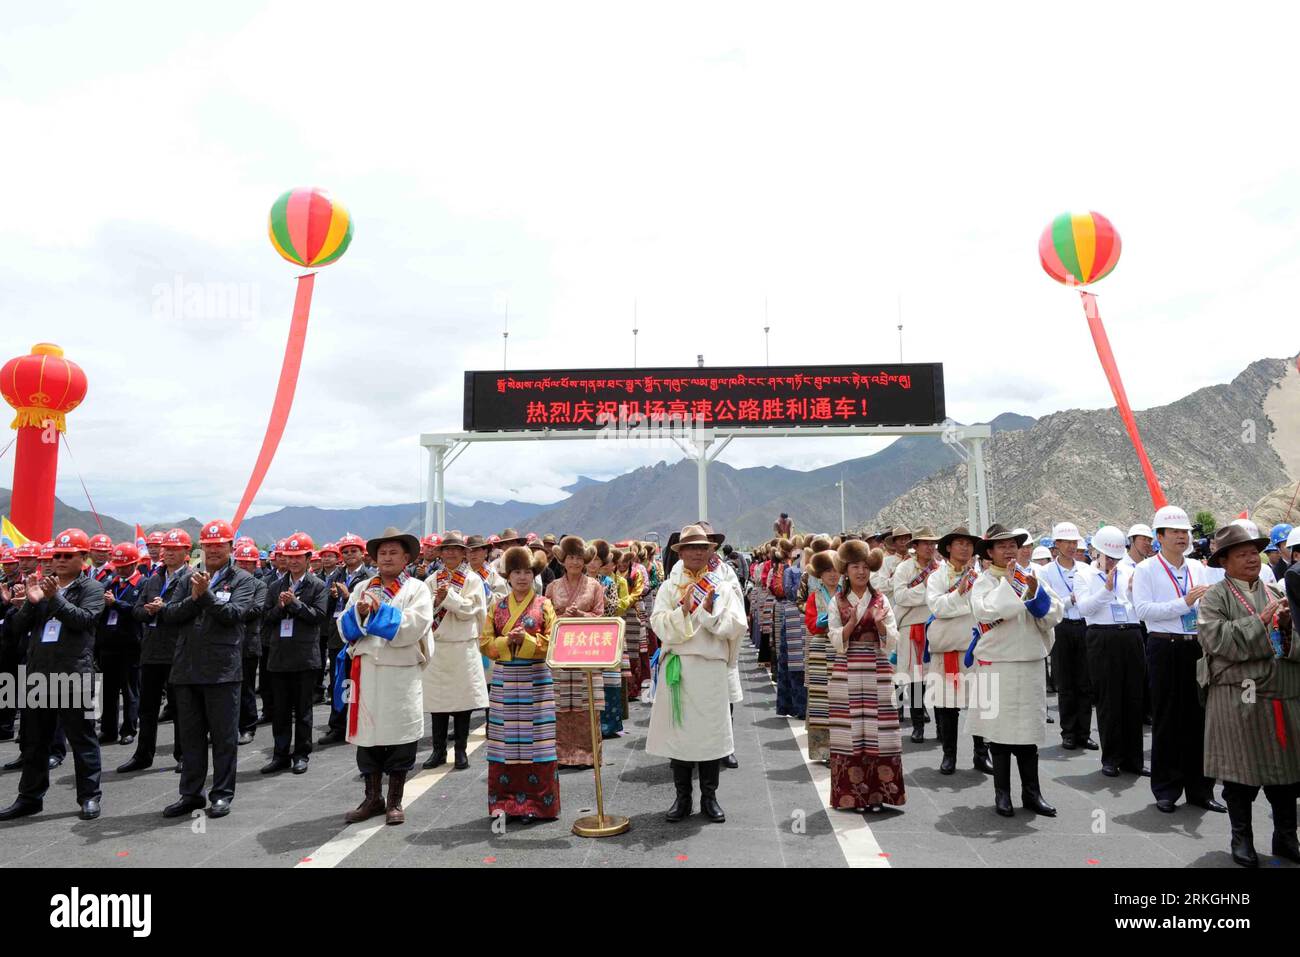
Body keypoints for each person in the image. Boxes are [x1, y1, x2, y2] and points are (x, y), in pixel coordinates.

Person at [1197, 524, 1298, 866]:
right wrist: (1260, 621)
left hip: (1280, 696)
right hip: (1238, 697)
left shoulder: (1275, 591)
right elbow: (1217, 641)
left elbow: (1296, 640)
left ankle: (1286, 837)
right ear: (1223, 562)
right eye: (1241, 554)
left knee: (1285, 773)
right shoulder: (1215, 598)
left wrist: (1285, 628)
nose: (1251, 558)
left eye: (1254, 552)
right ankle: (1242, 838)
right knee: (1240, 773)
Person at [0, 529, 104, 821]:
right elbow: (16, 630)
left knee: (83, 740)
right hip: (38, 675)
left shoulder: (91, 588)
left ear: (83, 558)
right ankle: (30, 797)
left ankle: (89, 796)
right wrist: (29, 603)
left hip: (75, 675)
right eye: (56, 555)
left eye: (66, 555)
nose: (58, 560)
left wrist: (54, 597)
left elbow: (83, 620)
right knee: (34, 742)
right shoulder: (42, 587)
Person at [648, 525, 746, 823]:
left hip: (711, 666)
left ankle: (709, 797)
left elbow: (736, 624)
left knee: (710, 736)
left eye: (702, 547)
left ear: (710, 551)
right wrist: (685, 611)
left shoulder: (723, 586)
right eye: (691, 548)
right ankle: (682, 797)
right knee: (680, 735)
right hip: (680, 666)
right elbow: (658, 623)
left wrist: (706, 612)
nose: (697, 552)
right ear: (681, 552)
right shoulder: (668, 587)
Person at [161, 520, 257, 819]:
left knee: (224, 738)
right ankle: (190, 795)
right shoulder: (187, 578)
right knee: (190, 738)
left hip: (222, 671)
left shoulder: (243, 580)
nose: (213, 549)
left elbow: (234, 615)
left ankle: (221, 794)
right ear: (200, 548)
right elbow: (170, 614)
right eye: (208, 545)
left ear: (231, 548)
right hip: (187, 668)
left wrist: (205, 596)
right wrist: (196, 597)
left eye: (220, 545)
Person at [1132, 505, 1224, 814]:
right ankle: (1167, 788)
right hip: (1164, 647)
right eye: (1175, 532)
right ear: (1159, 536)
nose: (1182, 537)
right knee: (1168, 718)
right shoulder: (1146, 570)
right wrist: (1183, 603)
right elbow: (1143, 611)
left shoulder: (1197, 567)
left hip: (1196, 646)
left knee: (1199, 719)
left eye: (1185, 532)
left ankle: (1200, 789)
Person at [339, 528, 433, 826]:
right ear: (375, 558)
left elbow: (415, 626)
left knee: (400, 735)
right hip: (367, 671)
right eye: (383, 553)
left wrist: (378, 613)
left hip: (400, 672)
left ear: (406, 558)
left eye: (394, 553)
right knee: (368, 737)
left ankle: (394, 800)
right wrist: (361, 614)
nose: (388, 558)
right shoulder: (363, 586)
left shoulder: (417, 588)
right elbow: (344, 623)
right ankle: (372, 797)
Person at [969, 524, 1063, 817]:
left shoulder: (1031, 577)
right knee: (999, 734)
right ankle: (1002, 794)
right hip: (999, 664)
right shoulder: (983, 582)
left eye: (1013, 545)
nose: (1009, 550)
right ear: (990, 552)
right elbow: (986, 612)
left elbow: (1055, 613)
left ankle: (1032, 793)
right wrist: (1010, 586)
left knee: (1027, 733)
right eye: (1002, 546)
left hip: (1030, 662)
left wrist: (1035, 595)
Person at [480, 545, 560, 821]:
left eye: (527, 571)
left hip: (536, 677)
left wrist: (525, 641)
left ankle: (538, 804)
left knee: (538, 741)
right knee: (506, 742)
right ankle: (506, 802)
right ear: (508, 575)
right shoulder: (496, 606)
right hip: (505, 680)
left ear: (534, 574)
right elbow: (485, 643)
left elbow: (553, 641)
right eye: (516, 572)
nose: (522, 577)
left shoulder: (545, 605)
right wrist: (505, 642)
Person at [826, 539, 904, 812]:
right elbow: (834, 636)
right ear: (846, 570)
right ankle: (853, 795)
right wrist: (849, 624)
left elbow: (893, 639)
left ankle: (877, 794)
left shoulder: (881, 599)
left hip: (876, 668)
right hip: (846, 668)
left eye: (864, 567)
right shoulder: (837, 601)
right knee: (850, 732)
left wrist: (882, 625)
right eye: (854, 567)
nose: (860, 572)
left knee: (879, 731)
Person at [1077, 525, 1148, 778]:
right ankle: (1111, 758)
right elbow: (1085, 608)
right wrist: (1107, 589)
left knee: (1134, 698)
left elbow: (1138, 609)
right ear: (1097, 552)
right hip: (1102, 636)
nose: (1112, 562)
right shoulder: (1084, 575)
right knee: (1109, 699)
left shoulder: (1132, 571)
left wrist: (1129, 590)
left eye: (1116, 557)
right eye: (1108, 557)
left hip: (1130, 633)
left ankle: (1134, 759)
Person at [118, 528, 191, 775]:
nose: (168, 553)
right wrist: (148, 610)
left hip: (178, 650)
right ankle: (143, 754)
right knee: (147, 707)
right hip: (150, 650)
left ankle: (183, 754)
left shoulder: (193, 579)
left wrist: (165, 608)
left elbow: (189, 610)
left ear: (186, 552)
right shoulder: (153, 579)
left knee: (181, 706)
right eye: (166, 549)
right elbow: (136, 611)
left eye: (174, 549)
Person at [925, 525, 994, 775]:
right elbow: (938, 608)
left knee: (979, 703)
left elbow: (984, 608)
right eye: (959, 543)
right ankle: (949, 755)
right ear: (948, 548)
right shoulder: (936, 577)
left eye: (968, 543)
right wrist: (960, 594)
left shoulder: (983, 576)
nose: (964, 547)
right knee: (946, 704)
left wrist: (957, 602)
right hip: (947, 649)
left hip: (975, 648)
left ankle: (980, 754)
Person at [262, 532, 328, 775]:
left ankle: (301, 754)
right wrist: (280, 607)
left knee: (303, 710)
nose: (292, 561)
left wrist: (295, 604)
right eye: (288, 557)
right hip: (279, 655)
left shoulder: (318, 585)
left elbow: (319, 618)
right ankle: (280, 754)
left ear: (308, 558)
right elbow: (266, 618)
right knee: (280, 710)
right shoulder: (275, 585)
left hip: (304, 656)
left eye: (297, 557)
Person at [421, 532, 488, 770]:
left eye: (455, 549)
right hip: (439, 646)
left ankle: (461, 750)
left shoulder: (472, 579)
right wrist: (437, 600)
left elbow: (472, 609)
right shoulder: (431, 580)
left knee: (463, 703)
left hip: (462, 645)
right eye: (445, 549)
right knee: (438, 704)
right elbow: (423, 610)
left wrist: (448, 597)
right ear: (440, 553)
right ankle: (438, 751)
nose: (450, 553)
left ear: (463, 553)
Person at [542, 535, 607, 767]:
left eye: (579, 558)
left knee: (585, 702)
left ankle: (587, 755)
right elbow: (545, 619)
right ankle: (561, 755)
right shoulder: (552, 587)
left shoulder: (595, 586)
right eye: (570, 557)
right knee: (560, 704)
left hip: (586, 650)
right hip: (560, 651)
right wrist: (560, 618)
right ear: (563, 560)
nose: (575, 562)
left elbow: (601, 616)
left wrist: (582, 616)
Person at [319, 533, 375, 746]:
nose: (350, 555)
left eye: (354, 551)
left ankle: (359, 722)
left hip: (359, 637)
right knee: (338, 681)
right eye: (345, 551)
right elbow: (324, 608)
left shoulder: (369, 578)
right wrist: (334, 598)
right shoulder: (335, 576)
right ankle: (338, 725)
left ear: (362, 554)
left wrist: (346, 596)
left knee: (359, 680)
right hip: (336, 635)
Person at [892, 526, 941, 743]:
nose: (930, 547)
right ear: (916, 546)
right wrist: (926, 588)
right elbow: (901, 597)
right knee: (914, 678)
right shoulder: (904, 569)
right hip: (911, 626)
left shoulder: (941, 568)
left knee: (938, 677)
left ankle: (942, 727)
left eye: (933, 543)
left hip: (935, 625)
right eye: (926, 543)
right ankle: (918, 725)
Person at [97, 543, 145, 746]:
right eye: (118, 566)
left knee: (129, 689)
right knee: (107, 690)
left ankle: (129, 728)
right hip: (108, 643)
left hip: (130, 644)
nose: (121, 569)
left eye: (125, 566)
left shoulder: (143, 584)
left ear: (134, 564)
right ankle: (108, 730)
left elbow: (138, 611)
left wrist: (115, 603)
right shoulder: (109, 583)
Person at [803, 550, 839, 764]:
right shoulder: (814, 597)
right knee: (821, 699)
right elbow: (811, 624)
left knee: (844, 698)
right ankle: (824, 750)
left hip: (843, 646)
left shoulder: (850, 594)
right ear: (820, 575)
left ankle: (844, 746)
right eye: (827, 571)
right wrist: (825, 620)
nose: (833, 575)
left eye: (835, 570)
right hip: (821, 647)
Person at [233, 543, 266, 745]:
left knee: (246, 689)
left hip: (248, 643)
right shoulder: (227, 583)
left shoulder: (260, 586)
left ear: (256, 565)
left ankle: (247, 727)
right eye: (241, 562)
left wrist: (232, 609)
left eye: (249, 563)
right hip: (224, 643)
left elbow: (256, 610)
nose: (244, 565)